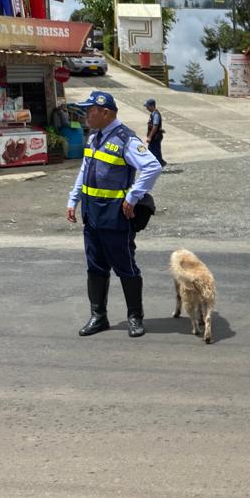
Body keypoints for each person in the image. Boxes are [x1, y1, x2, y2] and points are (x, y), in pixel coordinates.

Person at [66, 91, 162, 338]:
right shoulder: (94, 137)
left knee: (125, 267)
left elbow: (152, 166)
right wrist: (73, 199)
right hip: (92, 214)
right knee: (95, 267)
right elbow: (84, 169)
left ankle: (134, 317)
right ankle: (98, 316)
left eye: (90, 110)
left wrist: (133, 197)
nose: (86, 114)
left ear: (105, 112)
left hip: (115, 215)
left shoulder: (125, 139)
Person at [145, 98, 166, 167]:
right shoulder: (153, 114)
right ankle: (159, 163)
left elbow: (155, 126)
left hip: (155, 137)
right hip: (156, 136)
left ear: (152, 106)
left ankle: (159, 164)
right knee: (154, 151)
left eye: (147, 106)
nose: (146, 108)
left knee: (153, 151)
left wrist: (150, 137)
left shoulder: (156, 115)